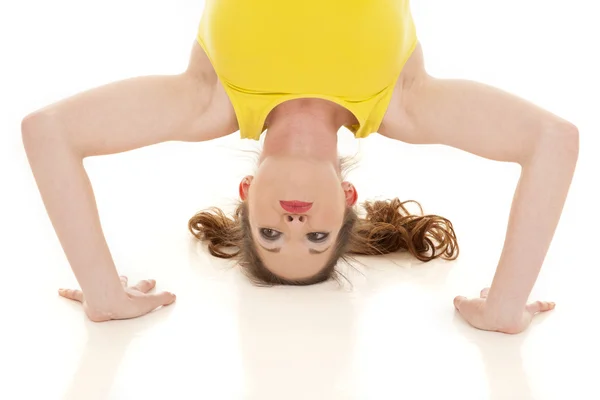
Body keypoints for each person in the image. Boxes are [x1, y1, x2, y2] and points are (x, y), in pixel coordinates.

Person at [21, 0, 578, 334]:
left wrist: (104, 295)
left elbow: (48, 132)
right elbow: (554, 140)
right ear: (348, 199)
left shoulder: (208, 99)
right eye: (316, 237)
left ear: (246, 189)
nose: (293, 226)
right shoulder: (403, 103)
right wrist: (505, 307)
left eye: (269, 234)